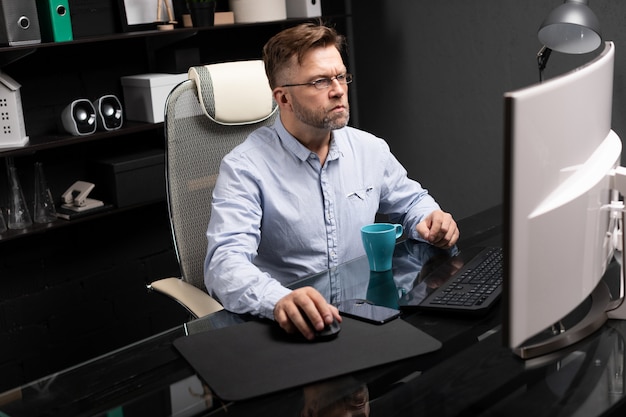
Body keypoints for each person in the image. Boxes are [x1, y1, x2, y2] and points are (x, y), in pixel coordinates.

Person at [204, 22, 459, 340]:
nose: (338, 89)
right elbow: (223, 264)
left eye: (340, 76)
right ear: (283, 98)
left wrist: (430, 218)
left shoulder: (369, 149)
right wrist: (278, 299)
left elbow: (412, 202)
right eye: (320, 81)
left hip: (364, 318)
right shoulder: (244, 168)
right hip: (294, 332)